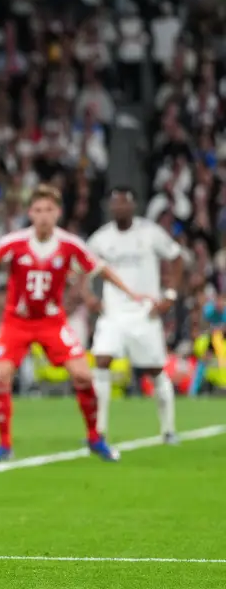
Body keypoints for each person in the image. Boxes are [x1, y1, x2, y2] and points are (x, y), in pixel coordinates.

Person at [0, 184, 147, 464]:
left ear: (58, 213)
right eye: (39, 210)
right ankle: (4, 446)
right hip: (17, 322)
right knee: (0, 377)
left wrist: (131, 293)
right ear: (30, 212)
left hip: (51, 322)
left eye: (49, 210)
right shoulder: (15, 242)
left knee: (83, 376)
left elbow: (101, 269)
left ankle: (95, 437)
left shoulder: (69, 244)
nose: (44, 216)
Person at [84, 186, 184, 444]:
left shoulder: (149, 233)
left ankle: (168, 429)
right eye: (115, 203)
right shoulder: (101, 238)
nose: (119, 208)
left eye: (124, 203)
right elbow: (79, 265)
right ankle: (99, 430)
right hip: (113, 313)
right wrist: (89, 298)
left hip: (144, 313)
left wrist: (170, 295)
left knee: (155, 369)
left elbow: (176, 257)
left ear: (133, 206)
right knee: (101, 361)